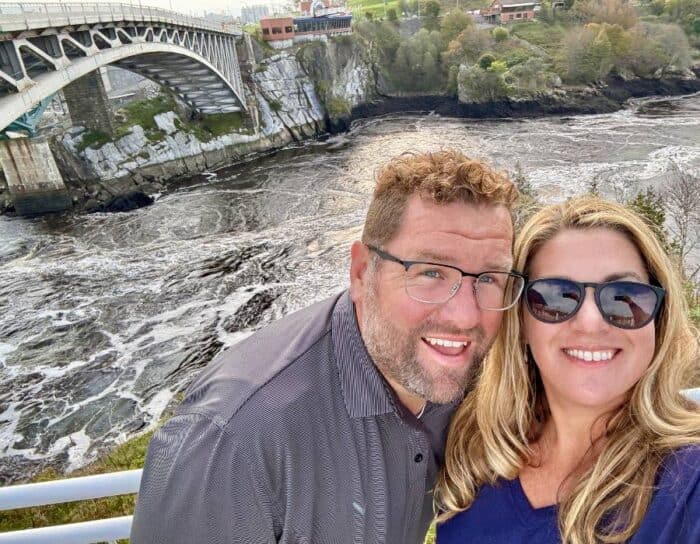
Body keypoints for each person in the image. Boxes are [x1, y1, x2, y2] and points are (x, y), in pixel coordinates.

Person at [130, 149, 523, 544]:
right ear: (361, 273)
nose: (465, 315)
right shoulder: (233, 441)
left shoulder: (472, 378)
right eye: (431, 272)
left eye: (490, 278)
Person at [436, 196, 700, 543]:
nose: (590, 322)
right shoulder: (473, 442)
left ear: (657, 318)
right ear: (521, 322)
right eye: (556, 297)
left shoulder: (688, 482)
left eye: (624, 296)